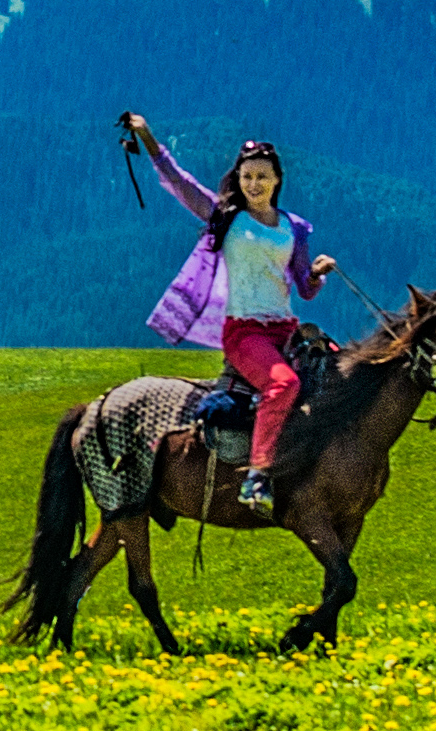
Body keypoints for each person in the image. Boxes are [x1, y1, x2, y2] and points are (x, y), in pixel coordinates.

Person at [121, 112, 337, 506]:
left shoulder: (295, 228)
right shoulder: (227, 217)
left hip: (285, 330)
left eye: (261, 176)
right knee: (283, 384)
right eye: (247, 176)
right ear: (238, 179)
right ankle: (256, 477)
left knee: (336, 379)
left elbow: (305, 289)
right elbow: (178, 182)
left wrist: (319, 273)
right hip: (244, 333)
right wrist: (148, 138)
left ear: (277, 180)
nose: (253, 184)